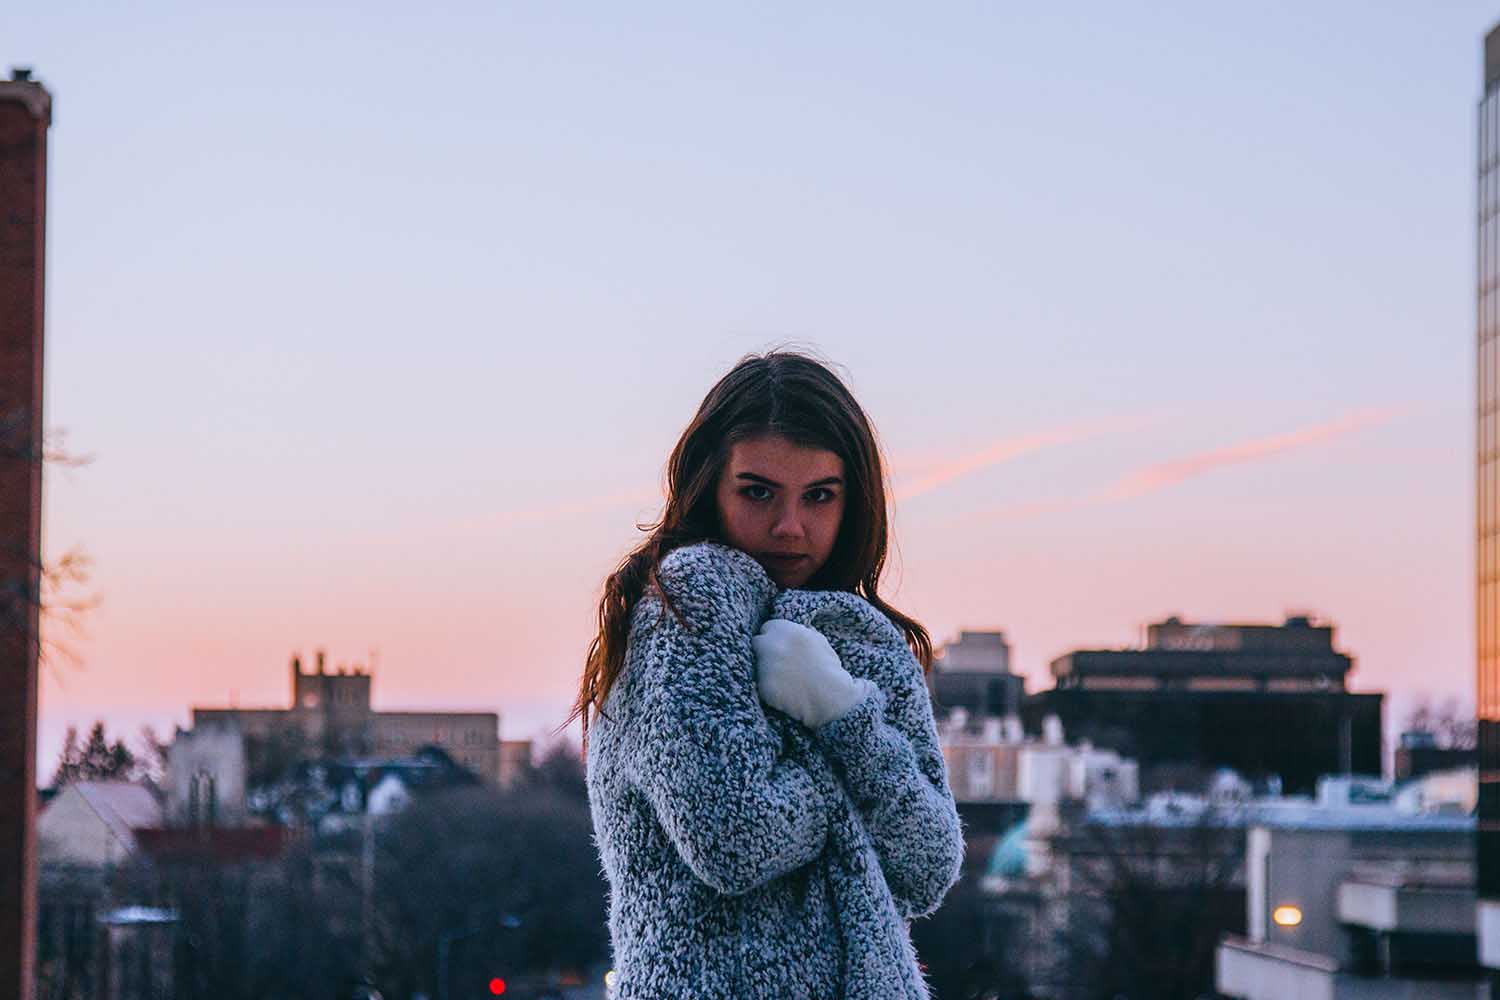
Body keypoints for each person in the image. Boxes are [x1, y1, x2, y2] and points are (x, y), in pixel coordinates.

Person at [567, 350, 964, 999]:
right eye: (758, 492)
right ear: (708, 487)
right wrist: (845, 776)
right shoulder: (686, 603)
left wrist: (841, 710)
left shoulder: (865, 642)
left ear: (853, 501)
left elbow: (926, 868)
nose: (790, 526)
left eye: (820, 496)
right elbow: (736, 839)